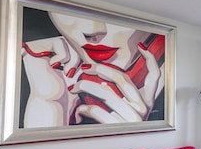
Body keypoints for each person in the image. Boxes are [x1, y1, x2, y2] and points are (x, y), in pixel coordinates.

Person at [20, 8, 165, 127]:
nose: (92, 30)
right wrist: (52, 106)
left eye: (116, 12)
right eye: (68, 9)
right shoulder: (32, 65)